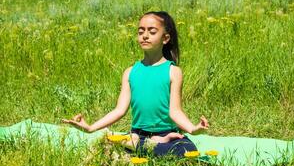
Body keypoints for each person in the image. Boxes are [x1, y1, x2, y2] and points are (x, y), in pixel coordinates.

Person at [63, 11, 209, 157]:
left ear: (165, 38)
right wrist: (90, 128)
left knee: (188, 150)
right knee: (110, 148)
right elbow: (119, 110)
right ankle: (143, 144)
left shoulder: (173, 71)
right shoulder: (130, 72)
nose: (145, 35)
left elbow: (175, 111)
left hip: (167, 134)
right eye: (141, 31)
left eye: (152, 32)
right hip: (138, 134)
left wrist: (193, 129)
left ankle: (143, 144)